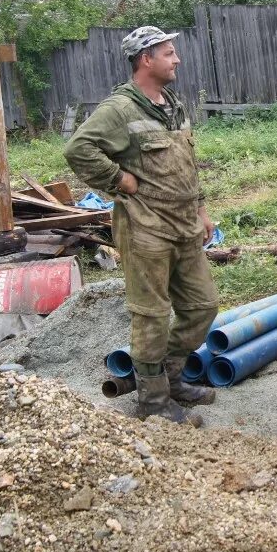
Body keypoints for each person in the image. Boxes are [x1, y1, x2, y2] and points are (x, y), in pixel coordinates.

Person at [64, 26, 219, 427]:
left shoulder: (172, 104)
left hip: (184, 224)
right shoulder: (119, 109)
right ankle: (153, 402)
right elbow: (78, 149)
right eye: (169, 53)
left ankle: (170, 379)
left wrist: (201, 211)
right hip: (145, 227)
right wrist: (120, 180)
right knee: (150, 315)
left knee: (202, 307)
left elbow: (185, 163)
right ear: (145, 60)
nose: (177, 59)